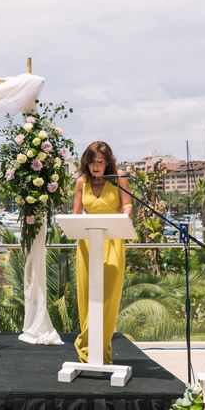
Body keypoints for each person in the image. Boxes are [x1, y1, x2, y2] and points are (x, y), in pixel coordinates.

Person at [72, 141, 132, 364]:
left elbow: (127, 205)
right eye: (91, 162)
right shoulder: (81, 182)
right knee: (88, 296)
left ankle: (99, 347)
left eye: (100, 161)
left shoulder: (119, 178)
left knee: (108, 296)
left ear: (107, 162)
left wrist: (125, 216)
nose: (95, 166)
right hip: (88, 244)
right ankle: (88, 350)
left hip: (113, 241)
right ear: (85, 163)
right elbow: (76, 215)